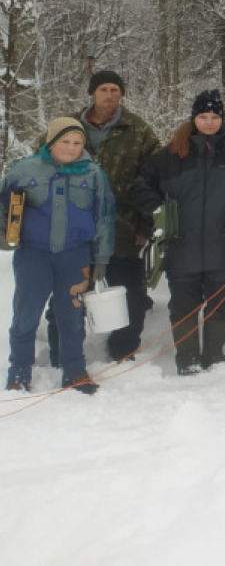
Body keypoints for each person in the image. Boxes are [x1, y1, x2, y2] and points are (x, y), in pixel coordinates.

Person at [133, 90, 225, 374]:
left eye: (215, 117)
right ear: (193, 119)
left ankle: (214, 355)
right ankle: (187, 359)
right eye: (203, 116)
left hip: (222, 241)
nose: (209, 122)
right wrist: (159, 211)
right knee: (184, 304)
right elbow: (142, 185)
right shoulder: (170, 155)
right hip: (181, 242)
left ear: (222, 120)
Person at [3, 119, 114, 394]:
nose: (72, 148)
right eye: (65, 141)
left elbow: (104, 217)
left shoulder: (93, 173)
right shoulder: (25, 169)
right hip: (33, 254)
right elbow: (3, 205)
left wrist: (101, 257)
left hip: (75, 256)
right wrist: (4, 234)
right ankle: (19, 372)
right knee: (26, 315)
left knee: (72, 317)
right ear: (51, 142)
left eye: (78, 142)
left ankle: (75, 372)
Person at [77, 70, 161, 362]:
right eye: (103, 89)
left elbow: (153, 180)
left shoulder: (138, 130)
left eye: (115, 89)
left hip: (123, 228)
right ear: (92, 93)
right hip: (75, 230)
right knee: (70, 295)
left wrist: (145, 224)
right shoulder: (70, 127)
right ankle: (68, 354)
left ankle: (123, 350)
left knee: (132, 297)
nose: (109, 95)